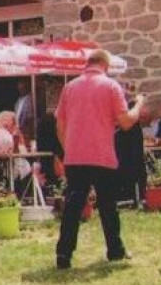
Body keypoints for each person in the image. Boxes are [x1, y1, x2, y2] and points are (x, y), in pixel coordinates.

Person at [54, 50, 143, 269]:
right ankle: (115, 250)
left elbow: (60, 125)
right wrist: (139, 105)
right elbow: (125, 122)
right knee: (107, 205)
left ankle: (64, 254)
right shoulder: (111, 86)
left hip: (75, 156)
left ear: (88, 63)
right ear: (106, 65)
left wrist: (69, 149)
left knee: (73, 206)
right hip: (101, 155)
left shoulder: (70, 87)